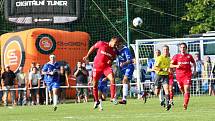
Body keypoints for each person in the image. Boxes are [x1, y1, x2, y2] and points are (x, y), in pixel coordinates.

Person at [83, 36, 120, 110]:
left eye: (117, 44)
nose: (115, 45)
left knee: (112, 79)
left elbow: (112, 59)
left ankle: (112, 98)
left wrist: (110, 61)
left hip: (106, 68)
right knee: (95, 84)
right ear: (111, 40)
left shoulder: (114, 50)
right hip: (97, 67)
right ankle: (96, 101)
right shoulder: (101, 43)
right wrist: (87, 55)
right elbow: (93, 47)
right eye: (115, 43)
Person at [170, 43, 196, 110]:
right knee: (182, 90)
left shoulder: (189, 56)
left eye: (184, 47)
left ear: (186, 48)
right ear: (179, 48)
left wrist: (194, 70)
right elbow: (170, 65)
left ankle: (185, 104)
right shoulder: (176, 56)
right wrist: (176, 66)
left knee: (187, 89)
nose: (182, 49)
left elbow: (194, 63)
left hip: (187, 75)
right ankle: (185, 97)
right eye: (181, 47)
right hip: (179, 76)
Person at [115, 38, 134, 104]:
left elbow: (131, 60)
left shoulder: (126, 50)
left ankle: (124, 99)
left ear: (121, 44)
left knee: (124, 80)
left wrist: (124, 63)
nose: (117, 46)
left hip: (129, 67)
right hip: (122, 69)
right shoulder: (116, 49)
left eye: (118, 44)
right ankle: (141, 93)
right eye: (116, 45)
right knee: (127, 85)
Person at [154, 45, 171, 111]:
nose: (165, 51)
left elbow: (170, 68)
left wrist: (172, 70)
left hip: (165, 76)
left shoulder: (169, 59)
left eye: (167, 49)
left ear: (168, 50)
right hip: (159, 76)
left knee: (166, 89)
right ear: (162, 51)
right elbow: (155, 68)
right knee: (156, 93)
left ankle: (167, 103)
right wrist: (164, 69)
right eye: (164, 49)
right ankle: (153, 89)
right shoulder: (159, 58)